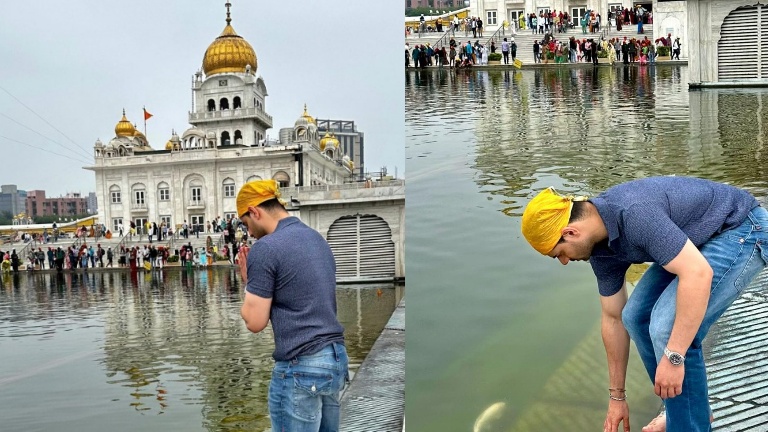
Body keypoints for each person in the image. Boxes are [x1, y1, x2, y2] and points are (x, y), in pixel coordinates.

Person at [520, 177, 768, 432]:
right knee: (636, 316)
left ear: (570, 233)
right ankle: (685, 411)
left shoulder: (634, 214)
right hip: (695, 239)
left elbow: (697, 275)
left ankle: (688, 424)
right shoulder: (600, 248)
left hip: (742, 229)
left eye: (559, 254)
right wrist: (617, 397)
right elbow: (613, 318)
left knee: (667, 328)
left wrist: (673, 358)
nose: (563, 261)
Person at [236, 179, 348, 431]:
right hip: (335, 358)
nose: (249, 233)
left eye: (246, 223)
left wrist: (248, 286)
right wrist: (257, 284)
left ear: (255, 211)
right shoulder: (315, 238)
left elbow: (255, 322)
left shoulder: (266, 248)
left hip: (301, 365)